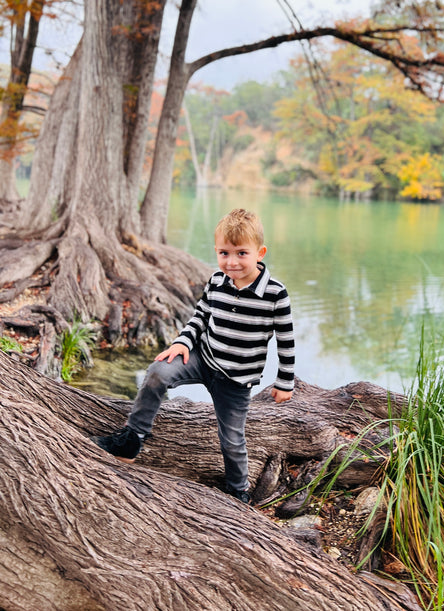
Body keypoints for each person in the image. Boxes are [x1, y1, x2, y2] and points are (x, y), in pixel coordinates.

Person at [94, 208, 295, 503]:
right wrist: (183, 343)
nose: (232, 261)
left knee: (232, 440)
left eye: (242, 253)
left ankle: (238, 490)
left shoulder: (275, 294)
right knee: (157, 373)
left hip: (236, 379)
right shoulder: (216, 281)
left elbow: (286, 340)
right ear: (216, 251)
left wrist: (285, 381)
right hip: (203, 357)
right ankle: (132, 439)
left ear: (259, 253)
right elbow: (200, 317)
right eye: (224, 253)